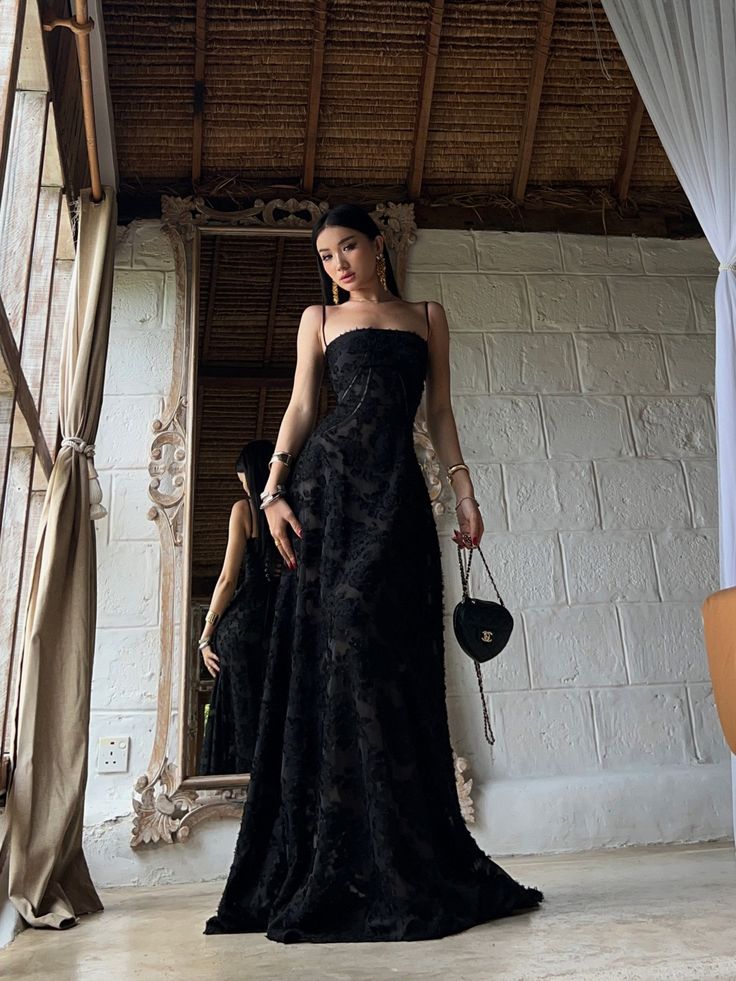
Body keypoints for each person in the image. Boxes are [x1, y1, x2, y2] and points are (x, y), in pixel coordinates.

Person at [204, 203, 543, 943]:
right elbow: (299, 407)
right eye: (325, 257)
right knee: (345, 643)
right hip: (328, 490)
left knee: (395, 664)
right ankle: (342, 854)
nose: (338, 265)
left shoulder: (427, 314)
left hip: (399, 500)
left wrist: (464, 489)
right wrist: (273, 492)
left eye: (347, 247)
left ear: (376, 244)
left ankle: (399, 854)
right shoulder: (317, 321)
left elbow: (441, 412)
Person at [198, 440, 283, 775]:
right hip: (280, 625)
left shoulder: (244, 511)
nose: (244, 488)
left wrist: (205, 637)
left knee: (240, 715)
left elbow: (227, 580)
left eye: (245, 481)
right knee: (273, 711)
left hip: (242, 626)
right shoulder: (295, 509)